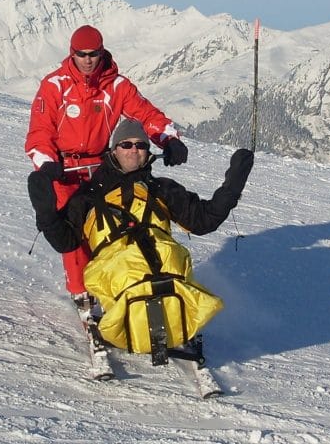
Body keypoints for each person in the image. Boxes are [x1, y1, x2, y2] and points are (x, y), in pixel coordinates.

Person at [28, 117, 253, 356]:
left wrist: (233, 185)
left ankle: (163, 312)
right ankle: (153, 314)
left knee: (166, 264)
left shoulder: (161, 188)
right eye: (126, 144)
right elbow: (66, 240)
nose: (134, 150)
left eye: (141, 145)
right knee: (130, 271)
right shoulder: (88, 196)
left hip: (166, 263)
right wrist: (46, 213)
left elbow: (204, 220)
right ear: (114, 150)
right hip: (116, 269)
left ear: (148, 152)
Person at [25, 25, 188, 311]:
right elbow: (40, 131)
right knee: (74, 232)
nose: (88, 60)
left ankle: (123, 282)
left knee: (114, 223)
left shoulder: (116, 85)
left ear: (102, 53)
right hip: (65, 170)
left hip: (102, 167)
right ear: (72, 53)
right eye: (82, 54)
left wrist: (168, 138)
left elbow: (145, 113)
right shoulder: (54, 85)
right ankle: (82, 294)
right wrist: (47, 162)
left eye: (94, 54)